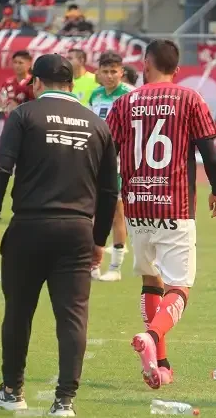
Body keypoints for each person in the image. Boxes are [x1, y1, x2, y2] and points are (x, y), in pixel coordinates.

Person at [0, 53, 118, 416]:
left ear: (37, 83)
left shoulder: (24, 115)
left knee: (19, 311)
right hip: (77, 231)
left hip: (29, 226)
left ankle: (12, 390)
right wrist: (99, 240)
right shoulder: (96, 123)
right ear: (72, 84)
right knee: (73, 315)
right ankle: (65, 400)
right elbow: (109, 192)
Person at [105, 39, 216, 390]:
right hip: (175, 206)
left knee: (150, 280)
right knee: (180, 287)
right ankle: (152, 334)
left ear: (144, 64)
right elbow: (209, 153)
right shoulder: (190, 98)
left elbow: (106, 154)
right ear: (177, 69)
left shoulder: (123, 103)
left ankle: (162, 363)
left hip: (137, 205)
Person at [88, 50, 136, 282]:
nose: (109, 76)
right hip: (95, 160)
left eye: (113, 72)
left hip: (119, 161)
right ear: (98, 73)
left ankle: (116, 267)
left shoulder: (130, 95)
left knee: (117, 212)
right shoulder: (95, 95)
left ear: (122, 73)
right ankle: (93, 263)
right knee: (93, 210)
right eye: (105, 71)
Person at [0, 51, 34, 116]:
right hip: (11, 121)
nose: (17, 65)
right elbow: (0, 108)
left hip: (29, 121)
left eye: (20, 63)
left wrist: (18, 106)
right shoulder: (7, 83)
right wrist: (1, 105)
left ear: (29, 64)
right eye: (15, 62)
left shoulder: (34, 82)